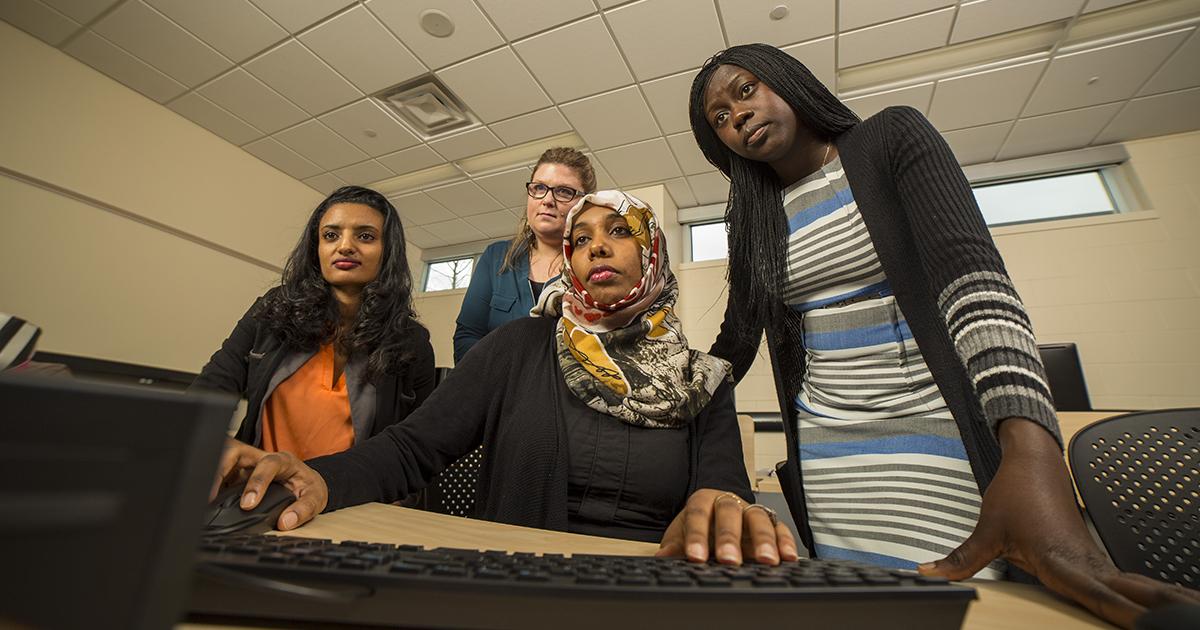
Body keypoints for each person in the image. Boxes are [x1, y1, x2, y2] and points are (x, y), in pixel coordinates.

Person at [689, 43, 1198, 626]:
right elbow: (736, 342)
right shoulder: (753, 215)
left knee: (968, 605)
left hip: (937, 434)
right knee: (868, 609)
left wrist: (1033, 450)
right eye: (721, 119)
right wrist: (650, 382)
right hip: (831, 453)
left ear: (789, 80)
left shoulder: (889, 139)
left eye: (746, 91)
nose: (739, 117)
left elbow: (974, 283)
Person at [217, 191, 798, 565]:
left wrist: (725, 507)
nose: (596, 245)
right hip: (522, 582)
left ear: (653, 253)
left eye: (619, 231)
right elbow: (411, 448)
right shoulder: (517, 347)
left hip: (651, 588)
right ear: (567, 263)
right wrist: (320, 479)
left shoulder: (703, 380)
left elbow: (723, 488)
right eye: (580, 239)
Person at [192, 186, 435, 461]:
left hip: (350, 498)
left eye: (365, 236)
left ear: (387, 251)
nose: (345, 246)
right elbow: (207, 393)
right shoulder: (274, 309)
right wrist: (220, 447)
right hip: (257, 492)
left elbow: (415, 450)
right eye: (330, 235)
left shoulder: (411, 341)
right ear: (316, 248)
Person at [452, 147, 597, 363]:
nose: (547, 200)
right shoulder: (496, 257)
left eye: (564, 191)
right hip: (496, 391)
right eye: (539, 188)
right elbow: (467, 336)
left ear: (585, 204)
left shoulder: (594, 263)